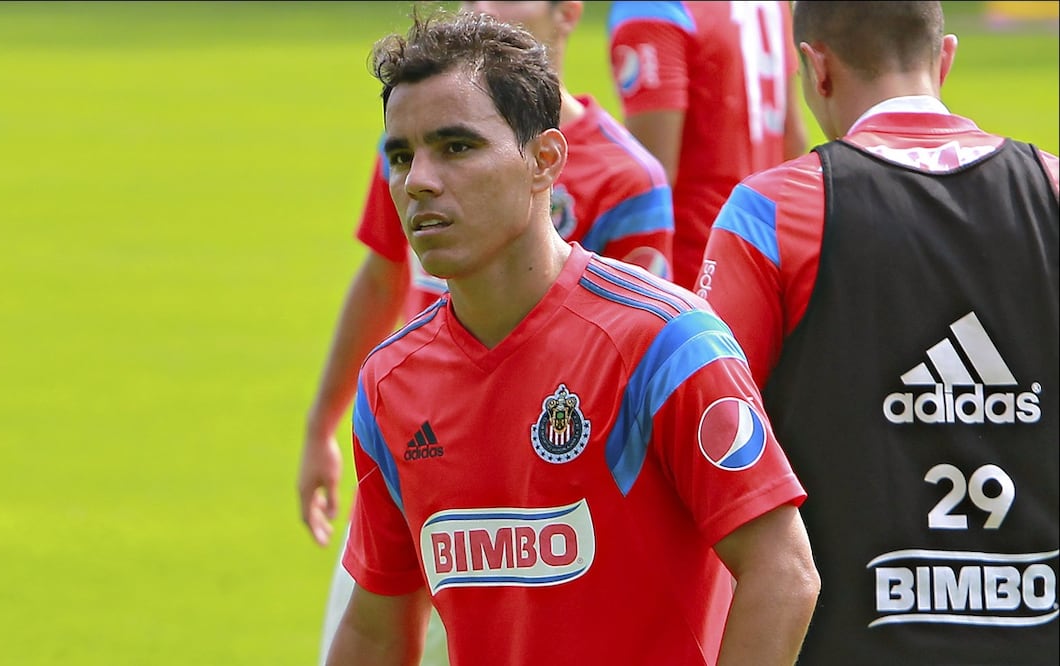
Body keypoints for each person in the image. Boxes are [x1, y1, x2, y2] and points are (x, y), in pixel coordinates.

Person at [324, 9, 820, 666]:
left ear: (545, 160)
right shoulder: (392, 382)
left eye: (457, 146)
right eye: (400, 155)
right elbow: (375, 628)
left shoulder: (664, 344)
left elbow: (784, 572)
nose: (418, 180)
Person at [300, 2, 675, 663]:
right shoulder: (421, 145)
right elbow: (384, 275)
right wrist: (321, 426)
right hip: (417, 439)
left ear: (568, 12)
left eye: (457, 148)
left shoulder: (627, 179)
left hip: (549, 479)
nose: (421, 178)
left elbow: (630, 354)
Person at [698, 2, 1059, 664]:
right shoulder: (1052, 190)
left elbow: (710, 439)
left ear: (816, 67)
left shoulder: (771, 212)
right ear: (944, 57)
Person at [606, 0, 809, 289]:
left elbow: (654, 178)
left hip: (689, 277)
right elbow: (794, 140)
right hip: (762, 264)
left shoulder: (653, 6)